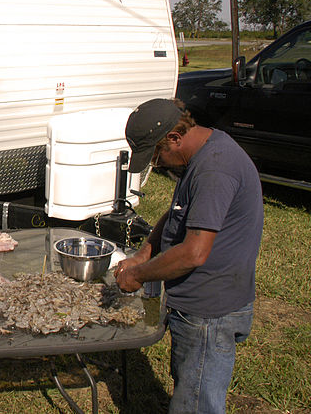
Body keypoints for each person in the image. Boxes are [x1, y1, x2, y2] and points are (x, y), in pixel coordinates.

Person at [115, 98, 263, 414]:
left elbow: (194, 253)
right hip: (200, 307)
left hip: (210, 312)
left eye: (156, 154)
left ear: (174, 137)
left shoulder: (214, 169)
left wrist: (137, 276)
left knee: (196, 403)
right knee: (190, 385)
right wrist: (144, 255)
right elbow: (177, 214)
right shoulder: (202, 154)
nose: (158, 163)